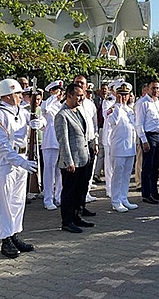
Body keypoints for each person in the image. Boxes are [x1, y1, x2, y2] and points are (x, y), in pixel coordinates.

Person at [0, 79, 41, 258]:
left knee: (18, 201)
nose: (21, 96)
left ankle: (14, 233)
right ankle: (5, 239)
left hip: (22, 158)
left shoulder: (21, 111)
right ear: (9, 95)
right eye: (18, 93)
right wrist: (20, 161)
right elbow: (2, 145)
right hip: (6, 161)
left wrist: (38, 124)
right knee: (5, 202)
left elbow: (40, 123)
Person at [55, 83, 93, 233]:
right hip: (71, 161)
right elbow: (63, 140)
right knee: (69, 192)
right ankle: (67, 221)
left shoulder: (78, 111)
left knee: (80, 190)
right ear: (69, 95)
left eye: (82, 95)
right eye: (78, 95)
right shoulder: (62, 115)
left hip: (83, 158)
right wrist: (68, 160)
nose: (81, 98)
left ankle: (77, 216)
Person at [106, 82, 139, 212]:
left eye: (126, 95)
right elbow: (112, 121)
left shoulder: (129, 110)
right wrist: (118, 105)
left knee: (126, 176)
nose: (124, 97)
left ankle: (124, 198)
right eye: (121, 94)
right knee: (117, 176)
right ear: (116, 95)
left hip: (129, 148)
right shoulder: (114, 109)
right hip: (119, 149)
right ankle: (116, 201)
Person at [135, 80, 159, 204]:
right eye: (153, 88)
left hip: (158, 135)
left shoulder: (158, 102)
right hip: (149, 136)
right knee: (147, 167)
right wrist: (144, 140)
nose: (155, 90)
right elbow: (139, 124)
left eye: (157, 88)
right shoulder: (142, 103)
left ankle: (154, 191)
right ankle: (146, 194)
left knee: (156, 167)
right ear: (147, 89)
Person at [73, 75, 99, 212]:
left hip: (89, 144)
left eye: (82, 83)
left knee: (86, 178)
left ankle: (82, 206)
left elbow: (94, 126)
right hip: (76, 146)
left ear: (86, 86)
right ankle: (73, 211)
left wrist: (95, 142)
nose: (80, 85)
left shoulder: (90, 104)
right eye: (77, 82)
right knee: (75, 180)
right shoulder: (70, 103)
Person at [41, 80, 64, 211]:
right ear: (51, 91)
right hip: (50, 142)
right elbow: (45, 109)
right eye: (56, 90)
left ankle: (58, 196)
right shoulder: (47, 103)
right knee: (49, 172)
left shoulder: (61, 106)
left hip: (60, 142)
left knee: (59, 172)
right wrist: (54, 97)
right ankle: (48, 199)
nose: (59, 93)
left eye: (60, 90)